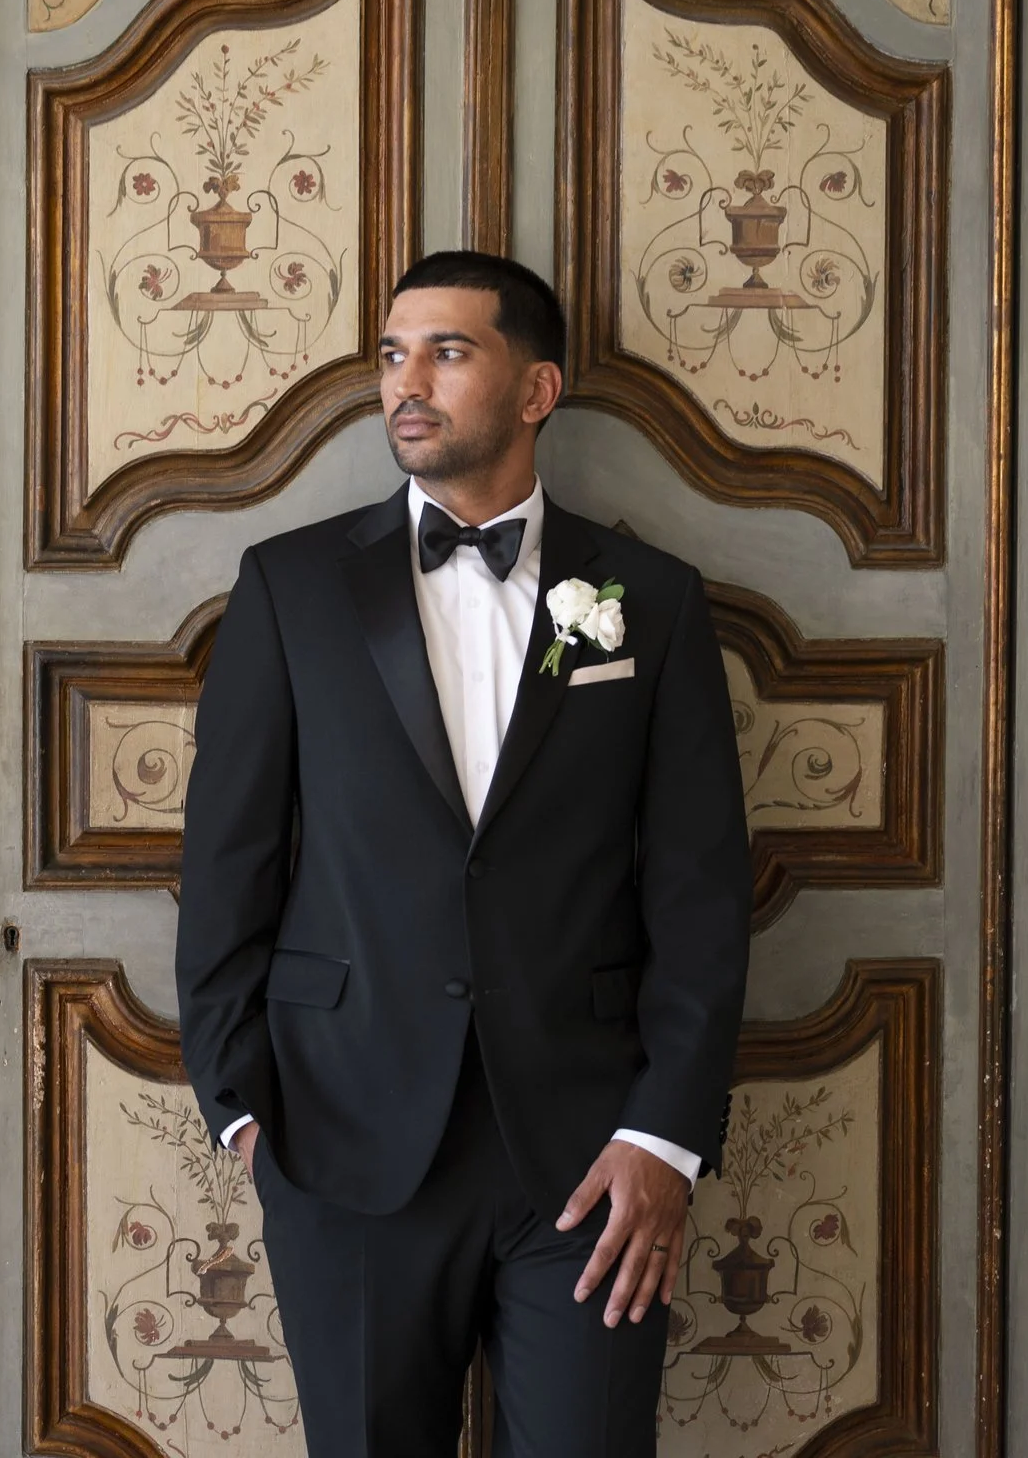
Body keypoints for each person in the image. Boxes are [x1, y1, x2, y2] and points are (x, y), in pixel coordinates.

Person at [174, 250, 753, 1458]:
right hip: (342, 1137)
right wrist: (240, 1109)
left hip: (592, 1155)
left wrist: (663, 1138)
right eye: (392, 354)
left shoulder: (648, 596)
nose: (406, 383)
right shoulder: (289, 589)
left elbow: (700, 890)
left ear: (535, 391)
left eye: (446, 351)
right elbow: (228, 858)